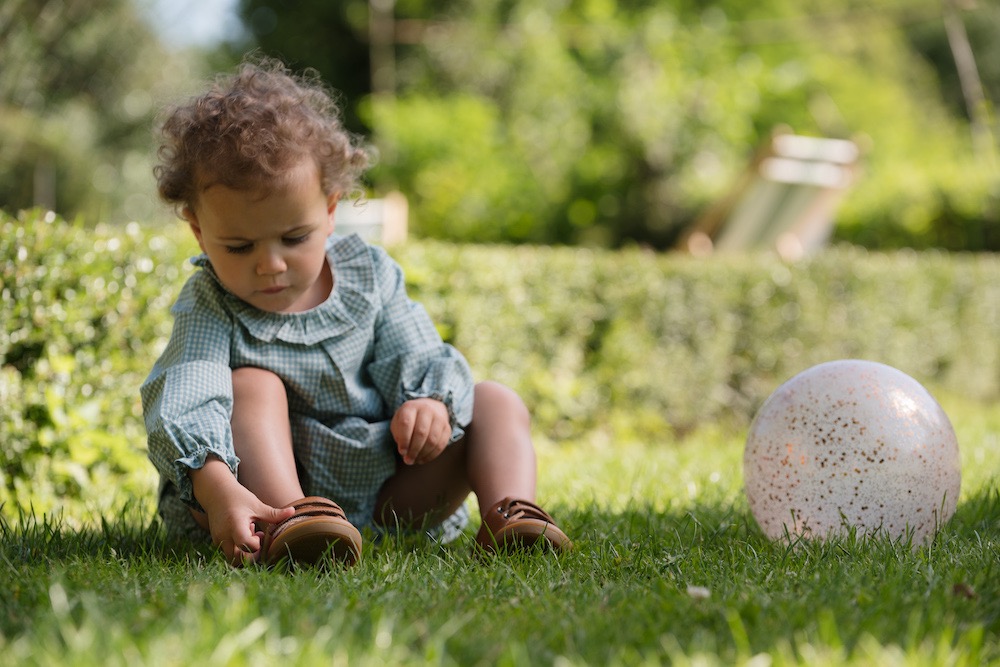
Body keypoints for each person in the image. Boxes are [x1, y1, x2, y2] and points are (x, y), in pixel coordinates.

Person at [140, 57, 571, 567]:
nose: (270, 265)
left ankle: (512, 515)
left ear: (328, 211)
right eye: (238, 246)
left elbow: (417, 351)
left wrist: (430, 404)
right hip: (257, 499)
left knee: (495, 400)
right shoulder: (211, 301)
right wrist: (216, 491)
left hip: (391, 491)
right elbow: (188, 394)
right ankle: (297, 523)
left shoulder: (369, 276)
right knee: (252, 383)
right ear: (198, 231)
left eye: (294, 238)